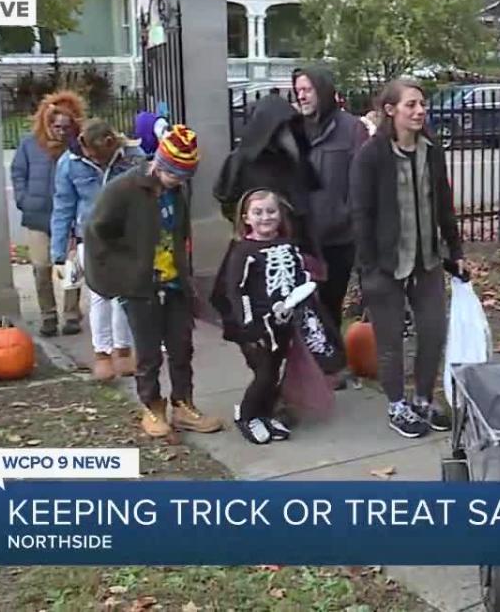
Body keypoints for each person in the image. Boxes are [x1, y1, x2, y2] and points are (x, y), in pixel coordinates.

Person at [84, 124, 223, 438]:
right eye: (173, 173)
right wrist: (123, 274)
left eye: (184, 176)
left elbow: (180, 234)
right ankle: (151, 405)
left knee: (181, 348)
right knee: (147, 353)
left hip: (173, 282)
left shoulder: (178, 191)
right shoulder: (123, 190)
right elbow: (97, 234)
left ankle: (183, 404)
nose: (177, 181)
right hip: (141, 286)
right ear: (159, 163)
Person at [351, 79, 463, 439]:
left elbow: (444, 206)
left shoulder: (431, 150)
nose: (419, 111)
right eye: (411, 105)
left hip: (427, 261)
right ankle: (397, 404)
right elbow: (361, 214)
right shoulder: (371, 155)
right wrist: (368, 268)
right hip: (386, 266)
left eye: (422, 105)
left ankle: (423, 400)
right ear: (390, 110)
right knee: (390, 343)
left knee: (433, 332)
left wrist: (455, 253)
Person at [213, 189, 322, 445]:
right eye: (258, 212)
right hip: (256, 326)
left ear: (280, 215)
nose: (265, 217)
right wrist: (249, 326)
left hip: (284, 323)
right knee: (263, 373)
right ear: (246, 218)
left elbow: (300, 277)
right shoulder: (244, 251)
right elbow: (236, 290)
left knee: (276, 371)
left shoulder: (289, 245)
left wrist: (301, 295)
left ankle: (265, 413)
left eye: (271, 211)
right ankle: (247, 414)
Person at [293, 68, 370, 389]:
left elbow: (362, 182)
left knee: (330, 303)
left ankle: (331, 366)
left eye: (307, 89)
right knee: (302, 305)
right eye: (298, 90)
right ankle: (309, 367)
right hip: (300, 236)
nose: (301, 95)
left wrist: (348, 216)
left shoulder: (352, 130)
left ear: (323, 91)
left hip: (338, 237)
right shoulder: (293, 130)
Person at [51, 119, 140, 380]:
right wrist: (59, 252)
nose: (90, 156)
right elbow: (63, 205)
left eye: (94, 152)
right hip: (89, 237)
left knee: (123, 295)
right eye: (86, 152)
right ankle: (102, 353)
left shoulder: (132, 158)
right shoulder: (70, 163)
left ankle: (123, 351)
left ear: (110, 144)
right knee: (100, 296)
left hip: (125, 234)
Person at [11, 91, 85, 338]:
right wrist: (24, 199)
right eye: (55, 125)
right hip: (38, 215)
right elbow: (18, 172)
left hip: (70, 217)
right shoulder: (30, 144)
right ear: (46, 121)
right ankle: (48, 315)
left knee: (71, 267)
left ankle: (72, 314)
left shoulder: (78, 146)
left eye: (66, 126)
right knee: (41, 266)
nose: (60, 131)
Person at [214, 92, 322, 257]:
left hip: (294, 243)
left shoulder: (294, 158)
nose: (287, 133)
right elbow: (227, 200)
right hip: (253, 245)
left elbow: (306, 199)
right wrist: (250, 221)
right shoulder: (241, 160)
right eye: (281, 127)